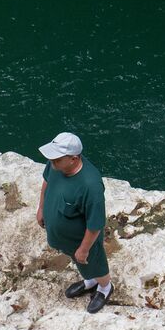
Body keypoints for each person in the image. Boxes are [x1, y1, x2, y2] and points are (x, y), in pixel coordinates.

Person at [36, 132, 113, 313]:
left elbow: (95, 224)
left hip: (82, 239)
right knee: (80, 262)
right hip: (65, 238)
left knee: (96, 264)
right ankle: (90, 280)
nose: (52, 161)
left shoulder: (90, 185)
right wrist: (41, 208)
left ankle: (104, 287)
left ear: (73, 158)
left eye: (57, 159)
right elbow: (46, 181)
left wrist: (84, 249)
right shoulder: (56, 164)